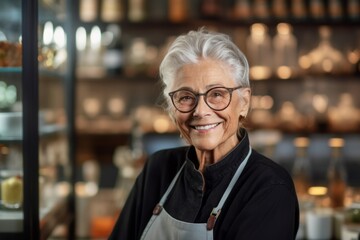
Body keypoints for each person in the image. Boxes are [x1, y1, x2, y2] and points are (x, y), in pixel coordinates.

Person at [109, 28, 299, 240]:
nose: (200, 111)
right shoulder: (158, 169)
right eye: (185, 97)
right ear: (172, 109)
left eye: (217, 94)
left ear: (244, 102)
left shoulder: (269, 187)